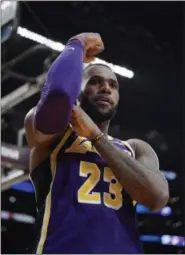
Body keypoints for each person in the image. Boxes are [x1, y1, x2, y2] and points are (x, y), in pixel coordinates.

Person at [25, 33, 169, 254]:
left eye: (113, 85)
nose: (106, 88)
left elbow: (156, 198)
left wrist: (96, 137)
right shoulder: (55, 136)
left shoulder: (136, 148)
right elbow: (59, 94)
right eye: (95, 81)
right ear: (78, 90)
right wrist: (76, 44)